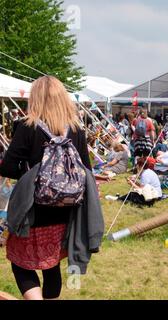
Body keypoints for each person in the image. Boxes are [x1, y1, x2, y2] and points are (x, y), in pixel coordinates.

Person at [0, 76, 98, 300]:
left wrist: (31, 175)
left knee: (20, 264)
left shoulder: (27, 127)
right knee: (51, 265)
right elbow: (86, 172)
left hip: (33, 212)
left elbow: (6, 167)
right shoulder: (76, 130)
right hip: (66, 212)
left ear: (35, 98)